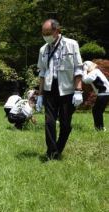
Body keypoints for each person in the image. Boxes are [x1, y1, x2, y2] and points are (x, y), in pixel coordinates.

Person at [36, 19, 84, 161]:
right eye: (43, 33)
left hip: (67, 89)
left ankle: (58, 148)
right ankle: (52, 152)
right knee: (49, 122)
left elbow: (78, 68)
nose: (46, 36)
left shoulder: (71, 44)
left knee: (65, 124)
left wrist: (78, 90)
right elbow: (42, 72)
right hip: (50, 88)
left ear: (57, 31)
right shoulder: (43, 49)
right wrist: (40, 95)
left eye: (48, 33)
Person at [82, 61, 109, 131]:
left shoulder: (94, 72)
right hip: (104, 93)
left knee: (97, 111)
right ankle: (99, 128)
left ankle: (100, 128)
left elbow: (85, 80)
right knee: (97, 111)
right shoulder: (96, 71)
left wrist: (84, 70)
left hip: (104, 93)